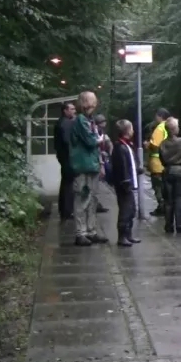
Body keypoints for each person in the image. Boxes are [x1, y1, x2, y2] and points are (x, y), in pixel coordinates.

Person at [69, 91, 108, 246]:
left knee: (92, 199)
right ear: (87, 103)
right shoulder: (80, 120)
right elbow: (91, 141)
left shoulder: (88, 120)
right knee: (82, 198)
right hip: (82, 165)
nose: (95, 104)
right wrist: (99, 139)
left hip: (90, 164)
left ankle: (91, 231)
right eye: (93, 101)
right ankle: (81, 233)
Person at [109, 119, 143, 246]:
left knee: (131, 209)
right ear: (127, 131)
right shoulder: (120, 147)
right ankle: (122, 236)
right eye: (132, 128)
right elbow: (122, 166)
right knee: (125, 210)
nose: (133, 131)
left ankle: (128, 234)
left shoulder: (126, 145)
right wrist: (126, 180)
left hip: (128, 183)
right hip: (124, 184)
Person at [53, 102, 76, 220]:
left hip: (63, 156)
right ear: (65, 111)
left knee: (65, 182)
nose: (74, 111)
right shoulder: (66, 123)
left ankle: (63, 209)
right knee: (68, 184)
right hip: (67, 157)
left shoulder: (60, 122)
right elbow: (68, 142)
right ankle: (67, 211)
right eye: (71, 109)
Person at [146, 108, 170, 217]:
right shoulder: (169, 126)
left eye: (156, 116)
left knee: (158, 187)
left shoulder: (159, 128)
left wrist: (147, 144)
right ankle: (166, 207)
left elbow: (155, 145)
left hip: (157, 163)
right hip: (165, 162)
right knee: (164, 186)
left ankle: (162, 207)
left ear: (160, 116)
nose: (155, 118)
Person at [93, 114, 112, 213]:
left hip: (101, 159)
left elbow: (109, 144)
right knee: (95, 183)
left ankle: (96, 203)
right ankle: (95, 204)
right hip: (96, 160)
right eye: (102, 122)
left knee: (98, 182)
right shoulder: (95, 132)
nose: (104, 124)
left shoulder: (102, 133)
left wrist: (108, 153)